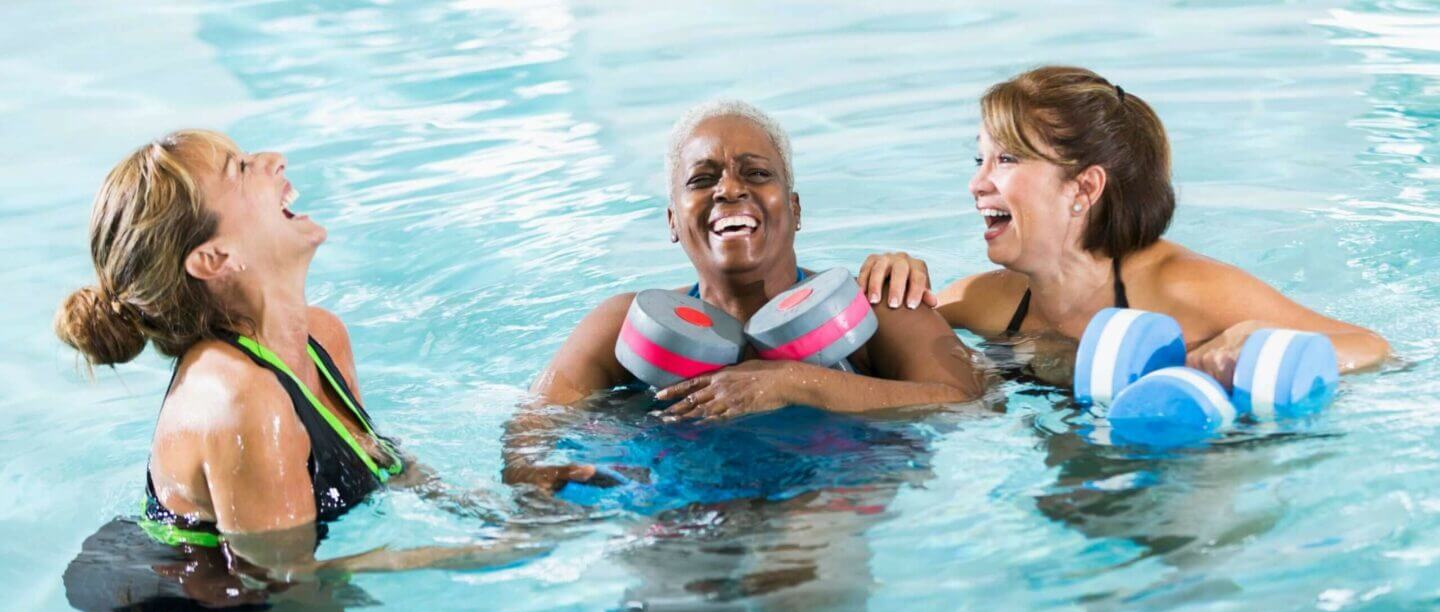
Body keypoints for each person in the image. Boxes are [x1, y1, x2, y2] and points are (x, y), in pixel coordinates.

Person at [56, 130, 530, 612]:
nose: (274, 160)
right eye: (238, 169)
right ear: (215, 258)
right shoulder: (239, 400)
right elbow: (285, 583)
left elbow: (377, 458)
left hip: (245, 582)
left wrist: (504, 514)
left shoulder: (322, 336)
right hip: (177, 604)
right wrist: (473, 555)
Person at [504, 100, 986, 491]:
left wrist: (796, 384)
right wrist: (528, 471)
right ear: (673, 221)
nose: (728, 190)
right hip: (678, 498)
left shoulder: (874, 305)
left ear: (795, 210)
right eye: (702, 179)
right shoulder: (621, 325)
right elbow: (537, 414)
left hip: (831, 490)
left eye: (756, 174)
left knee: (793, 566)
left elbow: (966, 402)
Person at [857, 66, 1389, 387]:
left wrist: (1259, 341)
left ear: (1085, 189)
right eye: (979, 161)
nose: (978, 185)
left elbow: (1371, 348)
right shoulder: (988, 301)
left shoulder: (1179, 287)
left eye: (1008, 161)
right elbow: (868, 346)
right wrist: (894, 280)